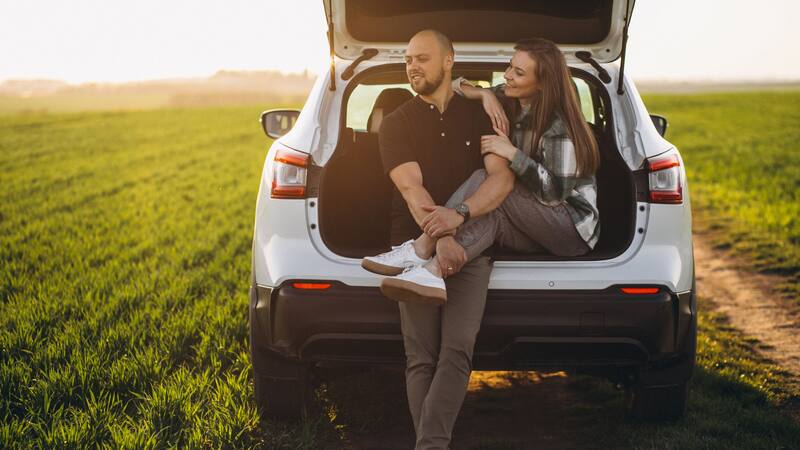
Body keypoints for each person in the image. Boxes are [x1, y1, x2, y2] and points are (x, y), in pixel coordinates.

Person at [364, 37, 601, 306]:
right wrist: (485, 93)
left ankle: (420, 247)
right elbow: (451, 85)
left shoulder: (559, 127)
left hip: (569, 229)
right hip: (534, 224)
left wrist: (512, 153)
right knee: (491, 213)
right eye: (510, 66)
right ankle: (432, 273)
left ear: (542, 84)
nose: (508, 76)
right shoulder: (510, 96)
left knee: (485, 179)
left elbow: (554, 193)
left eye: (518, 73)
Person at [364, 29, 515, 449]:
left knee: (457, 352)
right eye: (409, 59)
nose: (412, 66)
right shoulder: (397, 124)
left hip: (474, 251)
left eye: (422, 59)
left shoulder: (482, 115)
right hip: (415, 252)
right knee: (420, 358)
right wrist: (446, 241)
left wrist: (460, 230)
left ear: (449, 61)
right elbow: (412, 190)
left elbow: (500, 179)